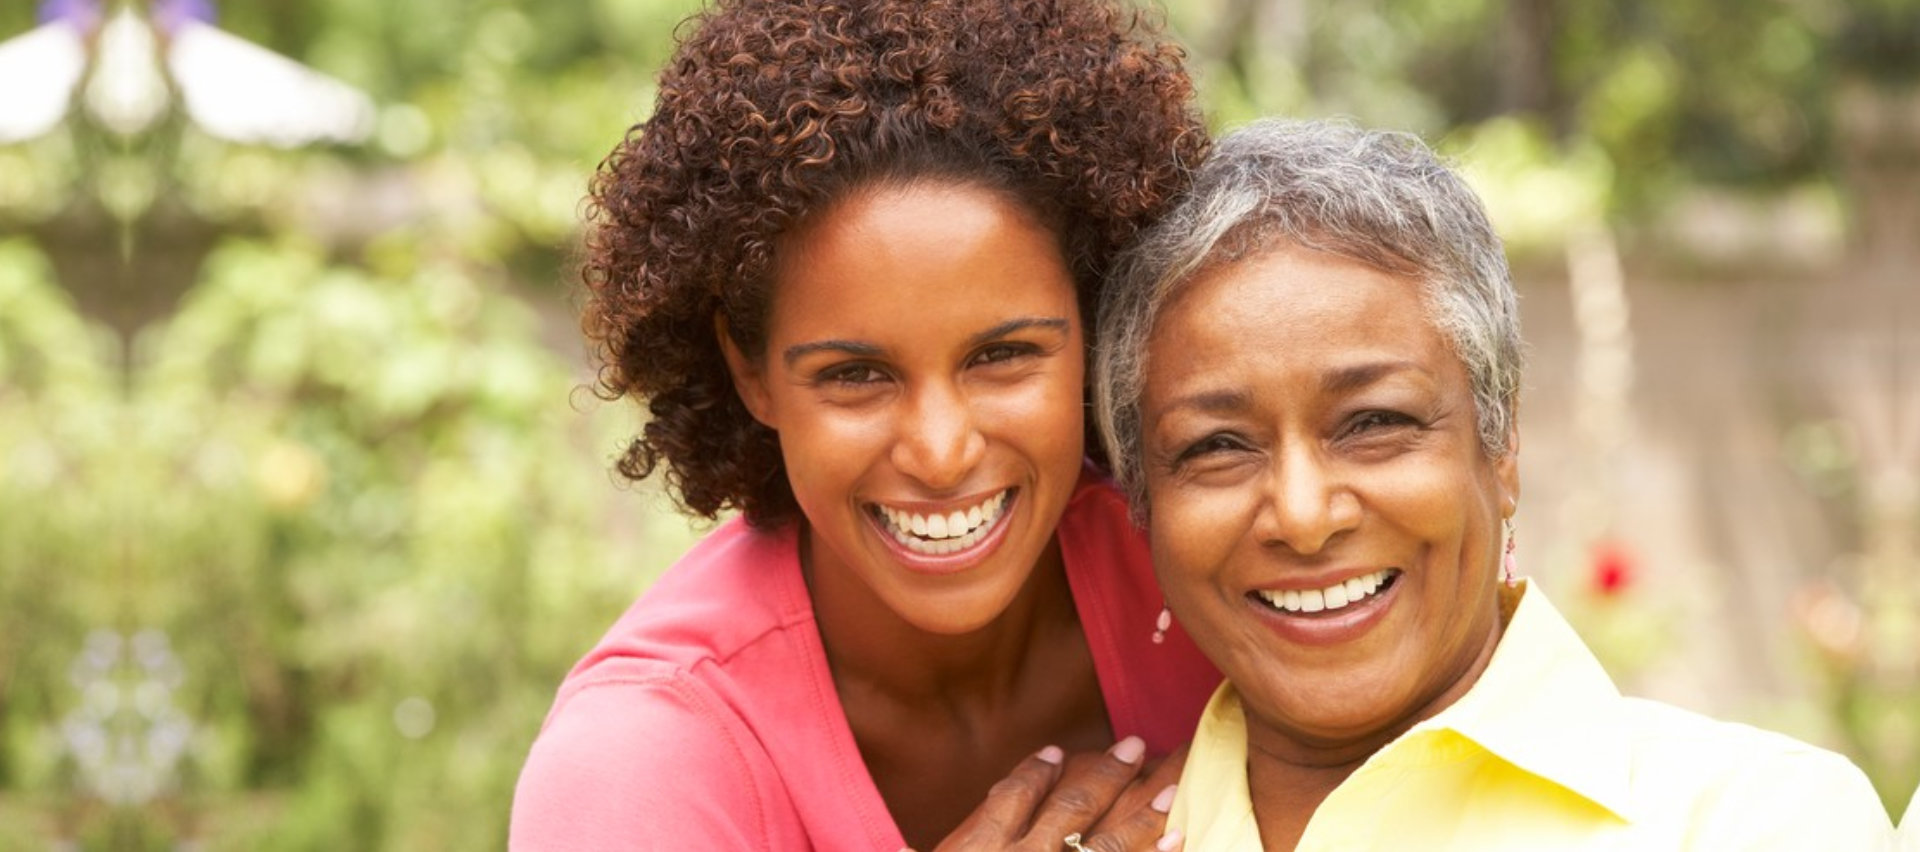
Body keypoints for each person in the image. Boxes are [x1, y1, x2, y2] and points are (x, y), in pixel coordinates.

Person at [510, 1, 1223, 849]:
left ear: (1095, 325)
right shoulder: (640, 765)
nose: (940, 450)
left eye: (1002, 356)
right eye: (855, 375)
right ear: (750, 370)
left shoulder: (1215, 568)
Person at [1091, 118, 1897, 851]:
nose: (1302, 516)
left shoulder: (1753, 823)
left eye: (1374, 422)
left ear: (1501, 443)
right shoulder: (1072, 838)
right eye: (1217, 445)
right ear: (1141, 502)